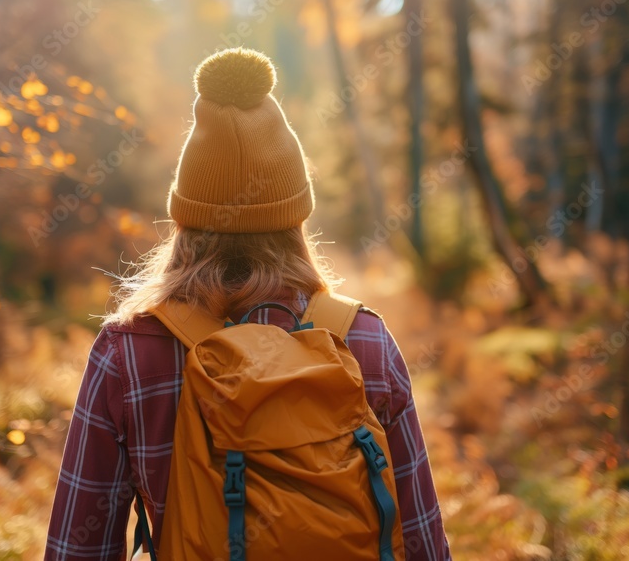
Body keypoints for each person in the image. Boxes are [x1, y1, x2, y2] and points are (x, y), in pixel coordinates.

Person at [45, 48, 451, 560]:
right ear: (296, 219)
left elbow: (77, 548)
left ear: (184, 223)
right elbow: (422, 539)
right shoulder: (363, 340)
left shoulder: (129, 353)